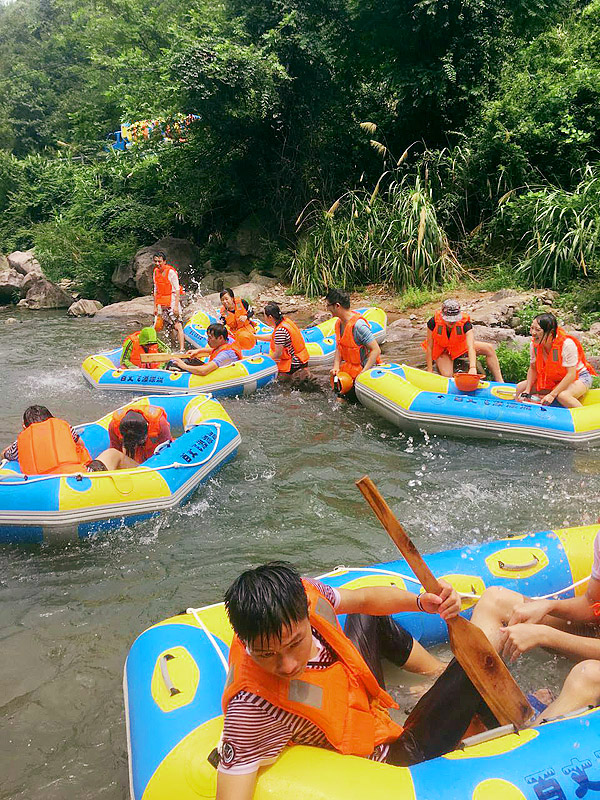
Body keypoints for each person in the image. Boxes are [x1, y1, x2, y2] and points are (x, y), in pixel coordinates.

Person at [215, 561, 499, 800]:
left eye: (294, 643)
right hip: (387, 762)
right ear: (244, 640)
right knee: (471, 664)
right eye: (267, 654)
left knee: (367, 614)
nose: (287, 664)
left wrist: (421, 603)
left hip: (360, 702)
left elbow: (363, 600)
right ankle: (516, 725)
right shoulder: (251, 709)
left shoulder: (308, 593)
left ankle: (433, 672)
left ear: (304, 612)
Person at [2, 406, 125, 474]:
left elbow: (5, 455)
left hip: (42, 483)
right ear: (52, 419)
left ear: (24, 426)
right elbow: (81, 444)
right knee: (112, 454)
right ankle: (140, 472)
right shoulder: (64, 427)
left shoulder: (20, 442)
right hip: (78, 477)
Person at [515, 312, 596, 408]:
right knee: (520, 387)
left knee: (563, 396)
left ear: (551, 333)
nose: (533, 333)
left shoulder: (566, 344)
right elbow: (533, 368)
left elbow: (571, 375)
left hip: (579, 377)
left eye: (537, 330)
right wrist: (527, 391)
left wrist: (552, 394)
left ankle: (585, 417)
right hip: (554, 379)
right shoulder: (534, 345)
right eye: (532, 328)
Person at [422, 299, 504, 382]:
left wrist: (472, 368)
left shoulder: (465, 324)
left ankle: (500, 381)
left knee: (488, 348)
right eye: (449, 319)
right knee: (447, 375)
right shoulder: (433, 322)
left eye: (454, 319)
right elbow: (429, 346)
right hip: (442, 350)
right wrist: (430, 370)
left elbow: (471, 346)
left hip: (459, 347)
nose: (452, 322)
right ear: (443, 315)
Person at [325, 288, 381, 391]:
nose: (327, 309)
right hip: (350, 370)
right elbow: (339, 347)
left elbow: (376, 350)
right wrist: (336, 366)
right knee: (339, 398)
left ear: (337, 306)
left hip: (364, 370)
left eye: (328, 306)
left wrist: (362, 374)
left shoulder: (359, 326)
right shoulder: (339, 323)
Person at [257, 302, 310, 380]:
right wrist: (255, 337)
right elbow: (273, 338)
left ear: (270, 317)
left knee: (277, 381)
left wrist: (265, 357)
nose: (264, 318)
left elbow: (278, 354)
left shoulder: (280, 331)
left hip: (294, 363)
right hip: (302, 359)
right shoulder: (285, 322)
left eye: (264, 315)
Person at [169, 323, 242, 377]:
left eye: (210, 337)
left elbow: (204, 370)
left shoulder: (225, 354)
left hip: (217, 376)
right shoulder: (229, 340)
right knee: (184, 360)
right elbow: (217, 350)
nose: (208, 340)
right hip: (217, 369)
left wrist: (183, 366)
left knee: (181, 363)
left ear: (220, 338)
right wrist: (199, 351)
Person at [107, 403, 172, 464]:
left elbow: (167, 449)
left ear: (147, 427)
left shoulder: (160, 423)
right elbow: (115, 450)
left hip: (153, 449)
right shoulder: (114, 426)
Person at [153, 251, 185, 351]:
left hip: (172, 300)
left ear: (164, 261)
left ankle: (182, 349)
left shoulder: (171, 272)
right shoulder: (155, 272)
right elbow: (155, 289)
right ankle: (173, 348)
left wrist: (176, 306)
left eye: (159, 261)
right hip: (162, 303)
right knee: (169, 327)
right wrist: (155, 306)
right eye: (155, 261)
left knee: (177, 325)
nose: (158, 264)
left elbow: (177, 290)